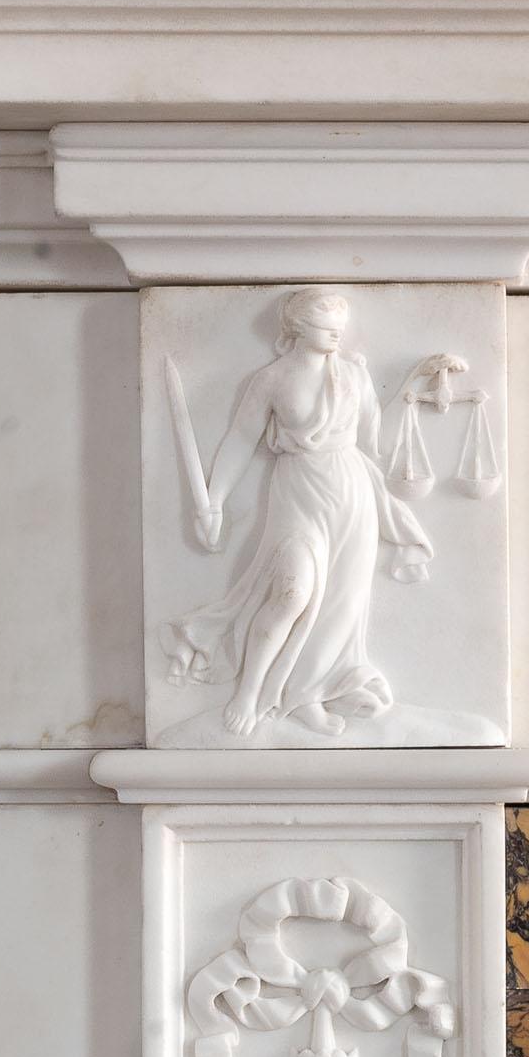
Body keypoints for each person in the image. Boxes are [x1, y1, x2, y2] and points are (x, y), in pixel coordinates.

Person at [174, 287, 432, 737]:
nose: (336, 334)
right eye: (325, 326)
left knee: (340, 605)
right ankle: (247, 692)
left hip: (352, 494)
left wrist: (411, 387)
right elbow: (241, 438)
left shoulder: (353, 374)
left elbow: (376, 440)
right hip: (299, 493)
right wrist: (214, 499)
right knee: (292, 593)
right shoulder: (271, 379)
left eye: (339, 327)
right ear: (296, 327)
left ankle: (305, 696)